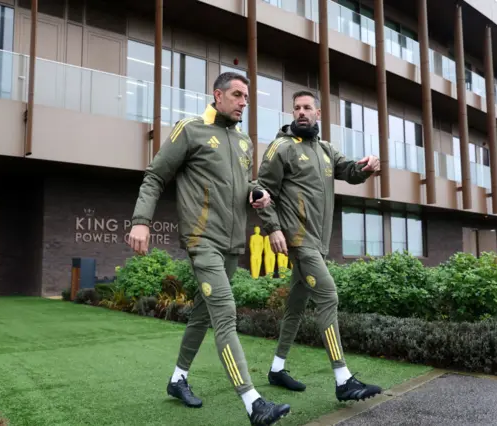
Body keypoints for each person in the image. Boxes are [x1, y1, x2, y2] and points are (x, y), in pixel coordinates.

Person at [127, 72, 291, 425]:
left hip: (233, 244)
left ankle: (177, 379)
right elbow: (155, 175)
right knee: (224, 314)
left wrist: (262, 203)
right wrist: (141, 219)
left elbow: (247, 188)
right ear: (218, 95)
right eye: (237, 95)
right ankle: (252, 402)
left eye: (246, 97)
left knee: (202, 314)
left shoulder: (244, 142)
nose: (243, 102)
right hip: (202, 242)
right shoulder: (190, 130)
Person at [255, 90, 383, 402]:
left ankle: (277, 368)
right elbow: (260, 190)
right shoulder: (281, 148)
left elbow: (349, 171)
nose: (301, 112)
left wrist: (366, 167)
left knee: (296, 306)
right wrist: (272, 229)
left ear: (318, 113)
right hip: (298, 241)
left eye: (307, 107)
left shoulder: (325, 150)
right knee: (328, 296)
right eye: (296, 108)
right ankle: (343, 380)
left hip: (318, 241)